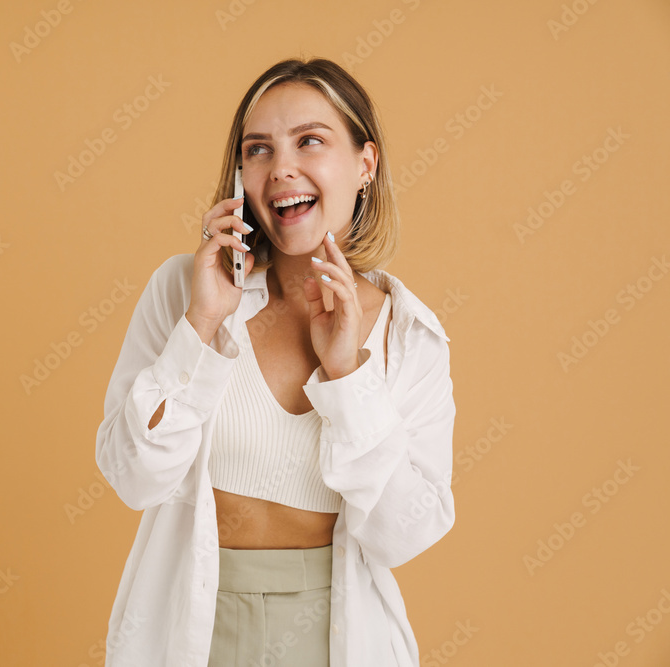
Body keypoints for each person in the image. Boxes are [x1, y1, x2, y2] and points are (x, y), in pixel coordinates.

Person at [95, 56, 456, 667]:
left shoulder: (411, 333)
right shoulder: (184, 292)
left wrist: (348, 375)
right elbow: (134, 477)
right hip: (192, 624)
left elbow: (406, 534)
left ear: (365, 165)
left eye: (309, 141)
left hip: (334, 633)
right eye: (257, 149)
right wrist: (201, 325)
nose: (281, 168)